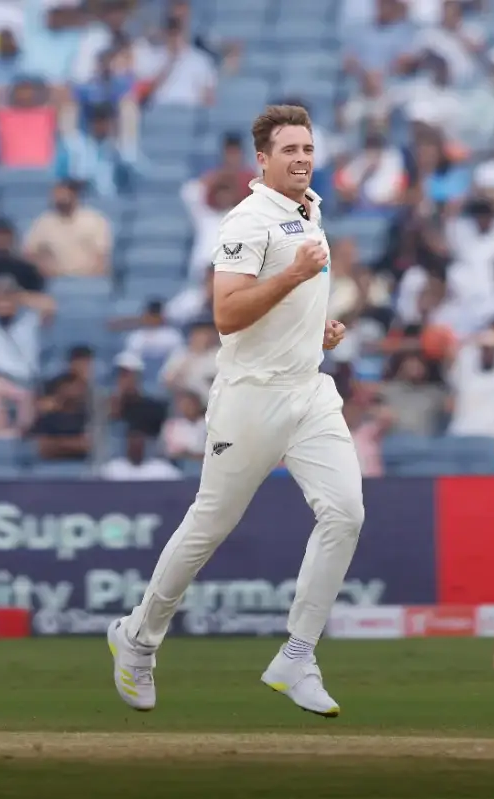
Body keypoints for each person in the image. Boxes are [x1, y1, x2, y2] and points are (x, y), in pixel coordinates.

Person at [106, 105, 363, 720]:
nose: (302, 158)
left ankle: (297, 655)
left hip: (308, 389)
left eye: (307, 148)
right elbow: (227, 313)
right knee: (210, 526)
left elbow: (281, 303)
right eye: (290, 150)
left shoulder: (311, 209)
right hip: (251, 397)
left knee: (346, 514)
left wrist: (313, 332)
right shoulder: (247, 221)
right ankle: (139, 639)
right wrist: (296, 276)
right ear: (263, 160)